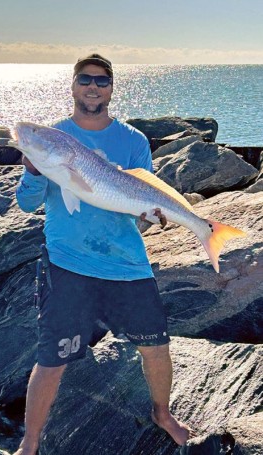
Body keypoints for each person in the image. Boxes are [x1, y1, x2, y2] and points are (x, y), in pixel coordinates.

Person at [14, 54, 192, 455]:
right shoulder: (55, 137)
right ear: (73, 85)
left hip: (126, 263)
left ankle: (162, 414)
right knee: (51, 358)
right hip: (67, 263)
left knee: (156, 347)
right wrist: (32, 170)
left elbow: (143, 199)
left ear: (111, 88)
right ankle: (29, 443)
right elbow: (26, 205)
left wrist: (153, 216)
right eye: (85, 79)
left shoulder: (133, 141)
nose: (93, 87)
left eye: (102, 80)